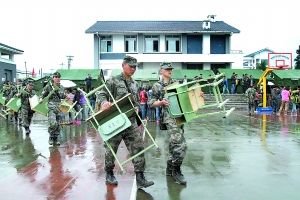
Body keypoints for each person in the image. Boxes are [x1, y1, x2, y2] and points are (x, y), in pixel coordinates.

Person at [95, 55, 154, 189]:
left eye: (135, 67)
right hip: (116, 121)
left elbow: (135, 100)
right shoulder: (113, 81)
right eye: (130, 66)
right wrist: (104, 102)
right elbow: (101, 94)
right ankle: (109, 173)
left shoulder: (135, 84)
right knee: (111, 149)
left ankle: (140, 177)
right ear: (123, 65)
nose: (133, 69)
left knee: (138, 147)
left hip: (130, 121)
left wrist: (138, 107)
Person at [149, 62, 187, 185]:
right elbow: (151, 102)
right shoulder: (157, 85)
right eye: (167, 69)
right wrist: (160, 103)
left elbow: (184, 97)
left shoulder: (176, 82)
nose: (169, 71)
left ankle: (169, 168)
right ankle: (177, 170)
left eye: (170, 69)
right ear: (161, 71)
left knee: (173, 144)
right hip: (169, 117)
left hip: (180, 116)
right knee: (181, 145)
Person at [41, 72, 66, 145]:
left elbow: (62, 96)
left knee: (58, 124)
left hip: (59, 107)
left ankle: (56, 138)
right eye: (56, 77)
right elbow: (43, 95)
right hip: (51, 107)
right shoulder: (48, 86)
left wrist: (66, 96)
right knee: (53, 123)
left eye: (58, 77)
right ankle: (51, 136)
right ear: (53, 78)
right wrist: (41, 99)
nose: (57, 78)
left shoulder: (61, 87)